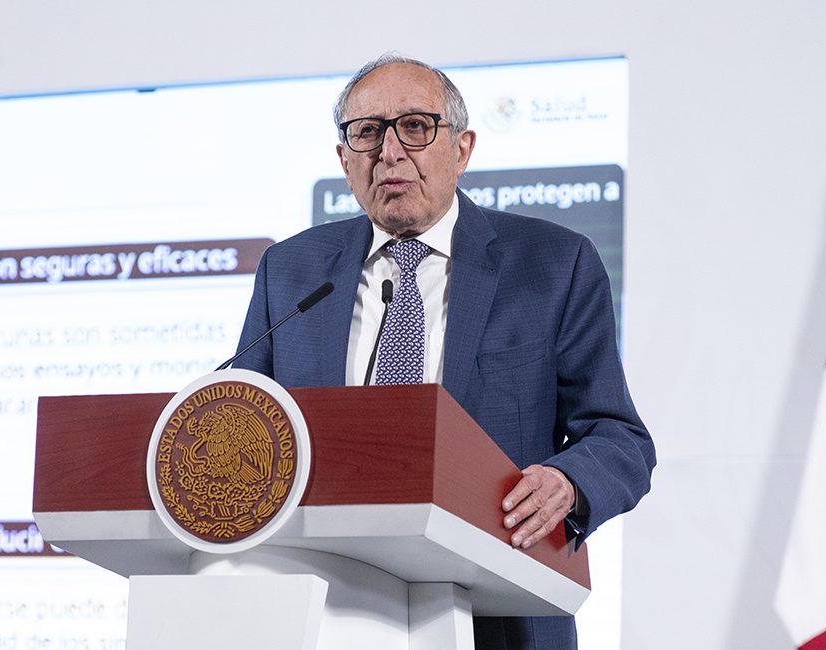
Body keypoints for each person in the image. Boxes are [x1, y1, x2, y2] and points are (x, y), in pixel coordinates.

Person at [233, 53, 655, 650]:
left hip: (497, 612)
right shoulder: (291, 270)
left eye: (415, 126)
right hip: (324, 608)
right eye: (367, 132)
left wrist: (567, 481)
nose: (390, 152)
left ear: (462, 149)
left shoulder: (553, 264)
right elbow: (243, 421)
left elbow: (620, 439)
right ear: (344, 161)